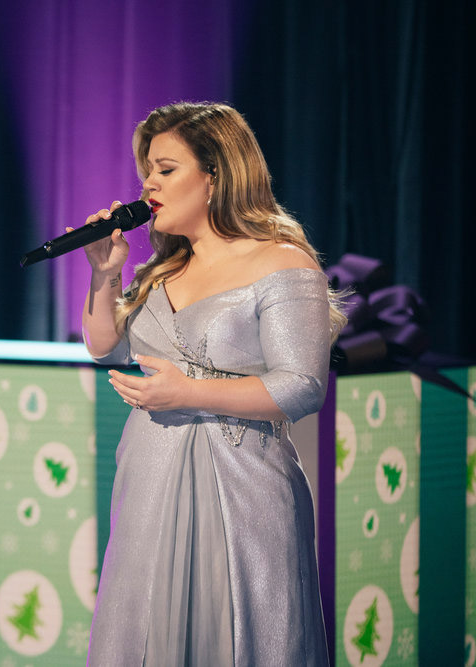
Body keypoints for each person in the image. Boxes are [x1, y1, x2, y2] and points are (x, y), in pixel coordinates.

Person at [77, 102, 342, 665]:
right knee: (146, 625)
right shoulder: (165, 269)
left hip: (242, 483)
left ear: (216, 175)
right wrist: (106, 274)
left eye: (166, 169)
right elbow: (106, 347)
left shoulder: (282, 263)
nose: (148, 184)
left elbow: (302, 386)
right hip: (150, 477)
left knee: (238, 628)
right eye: (147, 171)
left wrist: (189, 393)